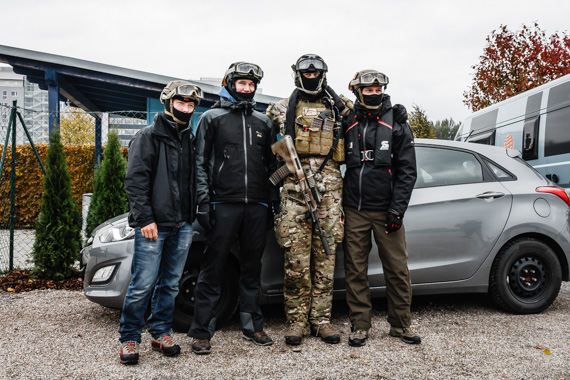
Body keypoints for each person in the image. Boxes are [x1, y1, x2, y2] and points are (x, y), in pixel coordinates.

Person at [188, 62, 277, 354]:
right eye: (242, 84)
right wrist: (203, 201)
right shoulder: (211, 118)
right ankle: (202, 331)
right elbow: (199, 163)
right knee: (213, 267)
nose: (247, 89)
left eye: (251, 85)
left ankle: (252, 325)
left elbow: (272, 166)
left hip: (257, 205)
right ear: (229, 83)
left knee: (252, 267)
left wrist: (271, 202)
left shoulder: (264, 122)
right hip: (222, 204)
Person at [119, 80, 202, 364]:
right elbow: (135, 181)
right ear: (167, 103)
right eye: (181, 103)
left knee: (170, 284)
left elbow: (192, 181)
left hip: (183, 225)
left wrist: (193, 214)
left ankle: (160, 332)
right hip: (154, 226)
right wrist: (145, 219)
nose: (186, 108)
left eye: (191, 105)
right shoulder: (148, 137)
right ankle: (129, 339)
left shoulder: (189, 139)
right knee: (143, 284)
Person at [270, 54, 347, 346]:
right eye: (307, 71)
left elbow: (365, 122)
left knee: (326, 259)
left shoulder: (340, 108)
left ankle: (322, 320)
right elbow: (266, 147)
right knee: (296, 260)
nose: (312, 75)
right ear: (297, 74)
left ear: (324, 74)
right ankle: (296, 321)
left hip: (329, 196)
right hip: (293, 193)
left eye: (317, 71)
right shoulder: (279, 109)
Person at [342, 70, 420, 347]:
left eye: (378, 89)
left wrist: (397, 210)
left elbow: (408, 171)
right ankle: (360, 326)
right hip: (354, 209)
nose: (374, 93)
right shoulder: (348, 120)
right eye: (368, 90)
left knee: (397, 269)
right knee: (355, 270)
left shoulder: (397, 123)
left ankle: (400, 324)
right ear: (358, 91)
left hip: (387, 209)